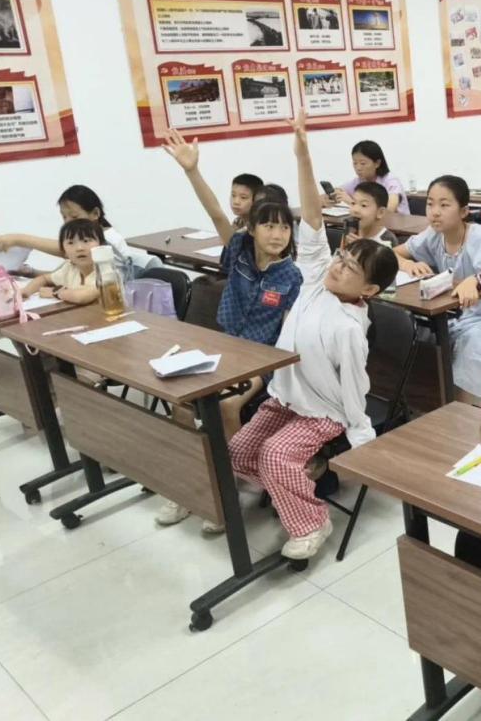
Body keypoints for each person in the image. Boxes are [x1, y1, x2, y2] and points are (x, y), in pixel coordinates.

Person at [226, 110, 399, 560]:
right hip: (286, 396)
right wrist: (303, 155)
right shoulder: (315, 277)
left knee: (275, 454)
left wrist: (359, 434)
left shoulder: (349, 326)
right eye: (341, 258)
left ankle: (311, 521)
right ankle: (289, 485)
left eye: (351, 269)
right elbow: (313, 219)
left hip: (324, 412)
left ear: (369, 290)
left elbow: (354, 387)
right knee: (240, 449)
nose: (338, 267)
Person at [157, 133, 301, 529]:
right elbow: (217, 214)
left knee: (225, 406)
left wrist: (272, 368)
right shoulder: (237, 250)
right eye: (268, 226)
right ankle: (196, 480)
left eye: (284, 228)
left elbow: (290, 337)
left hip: (261, 360)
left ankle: (230, 487)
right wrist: (192, 170)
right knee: (182, 403)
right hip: (222, 345)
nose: (277, 234)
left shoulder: (291, 276)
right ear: (251, 229)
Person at [394, 175, 481, 401]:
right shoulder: (433, 234)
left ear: (463, 211)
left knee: (474, 346)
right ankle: (428, 402)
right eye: (430, 204)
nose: (435, 212)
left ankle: (464, 408)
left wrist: (474, 280)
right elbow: (393, 253)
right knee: (413, 333)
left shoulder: (479, 235)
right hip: (451, 311)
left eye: (444, 205)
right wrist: (408, 264)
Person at [0, 184, 158, 274]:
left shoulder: (108, 240)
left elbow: (64, 251)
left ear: (95, 213)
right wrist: (30, 272)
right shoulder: (85, 245)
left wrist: (19, 239)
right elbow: (68, 278)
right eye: (64, 217)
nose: (67, 223)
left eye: (74, 216)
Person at [19, 219, 104, 305]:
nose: (79, 248)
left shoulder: (106, 269)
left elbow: (82, 297)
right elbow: (44, 279)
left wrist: (55, 292)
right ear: (64, 252)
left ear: (101, 245)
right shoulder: (70, 268)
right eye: (71, 243)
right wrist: (26, 291)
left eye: (86, 241)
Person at [330, 141, 408, 215]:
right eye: (355, 163)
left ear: (377, 163)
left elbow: (388, 210)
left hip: (398, 223)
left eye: (363, 163)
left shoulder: (390, 181)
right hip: (373, 223)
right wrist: (336, 194)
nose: (358, 168)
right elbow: (338, 190)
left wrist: (352, 203)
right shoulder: (359, 181)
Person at [345, 181, 397, 247]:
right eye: (353, 203)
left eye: (363, 205)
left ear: (380, 212)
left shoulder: (386, 240)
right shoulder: (351, 231)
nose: (355, 210)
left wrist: (361, 247)